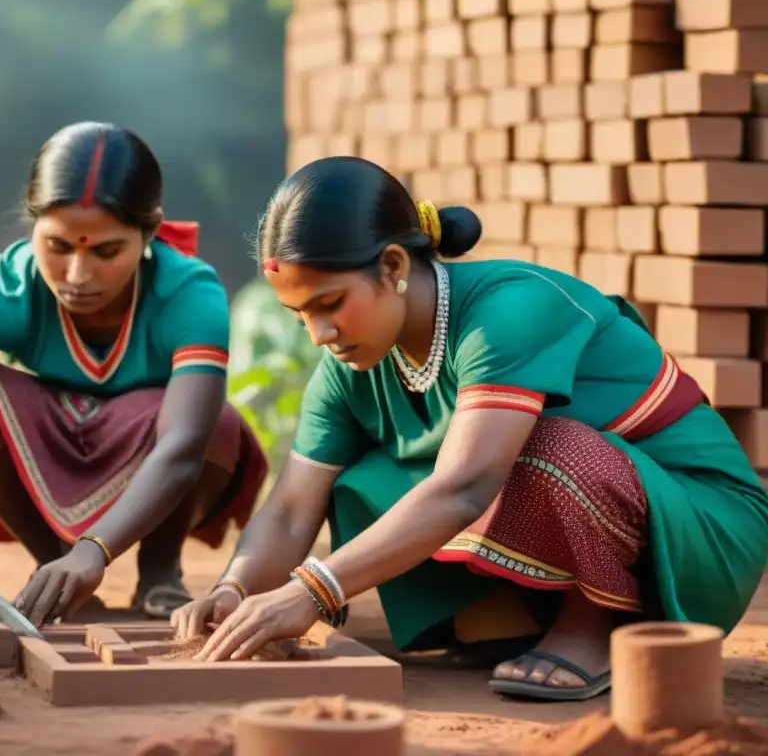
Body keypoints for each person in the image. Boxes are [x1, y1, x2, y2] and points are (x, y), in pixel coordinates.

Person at [169, 155, 768, 702]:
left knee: (541, 447)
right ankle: (502, 620)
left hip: (698, 527)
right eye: (299, 315)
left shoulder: (508, 311)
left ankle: (593, 625)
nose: (319, 334)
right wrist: (236, 589)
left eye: (330, 303)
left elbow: (466, 486)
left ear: (394, 265)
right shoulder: (348, 365)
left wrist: (316, 589)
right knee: (360, 479)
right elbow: (292, 508)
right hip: (587, 513)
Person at [0, 121, 267, 626]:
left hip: (157, 454)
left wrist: (96, 550)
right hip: (50, 445)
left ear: (149, 232)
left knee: (217, 424)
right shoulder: (6, 288)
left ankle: (160, 570)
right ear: (32, 226)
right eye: (58, 246)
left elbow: (183, 446)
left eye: (106, 251)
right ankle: (52, 563)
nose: (78, 275)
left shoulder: (189, 292)